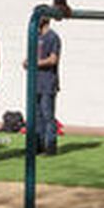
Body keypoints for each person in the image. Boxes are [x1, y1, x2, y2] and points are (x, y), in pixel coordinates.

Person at [32, 14, 62, 155]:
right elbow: (32, 56)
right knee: (36, 116)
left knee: (47, 115)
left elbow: (53, 59)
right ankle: (38, 146)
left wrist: (36, 63)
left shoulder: (52, 37)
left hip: (48, 82)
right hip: (35, 82)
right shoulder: (35, 36)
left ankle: (50, 146)